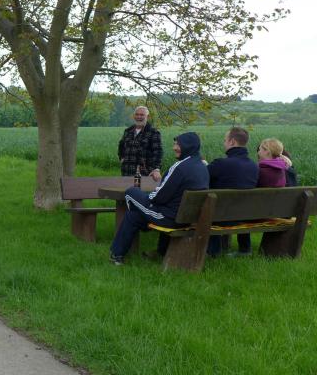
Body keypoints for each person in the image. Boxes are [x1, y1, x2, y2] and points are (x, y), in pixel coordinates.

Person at [109, 132, 209, 265]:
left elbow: (159, 197)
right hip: (189, 219)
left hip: (169, 218)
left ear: (188, 146)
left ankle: (117, 255)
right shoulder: (203, 167)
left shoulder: (180, 167)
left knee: (131, 192)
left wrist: (149, 196)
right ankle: (157, 251)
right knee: (133, 216)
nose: (174, 148)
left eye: (178, 145)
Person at [205, 127, 259, 257]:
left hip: (219, 216)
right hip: (246, 216)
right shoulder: (254, 166)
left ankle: (213, 251)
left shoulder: (220, 164)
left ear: (232, 142)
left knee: (211, 205)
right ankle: (245, 249)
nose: (224, 143)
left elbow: (201, 177)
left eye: (225, 140)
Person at [117, 106, 163, 182]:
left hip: (144, 173)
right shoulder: (128, 131)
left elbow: (158, 152)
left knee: (142, 189)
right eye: (137, 114)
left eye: (142, 115)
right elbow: (121, 145)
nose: (139, 117)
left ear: (147, 117)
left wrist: (156, 169)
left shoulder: (153, 132)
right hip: (126, 171)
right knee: (126, 189)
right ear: (134, 116)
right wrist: (121, 157)